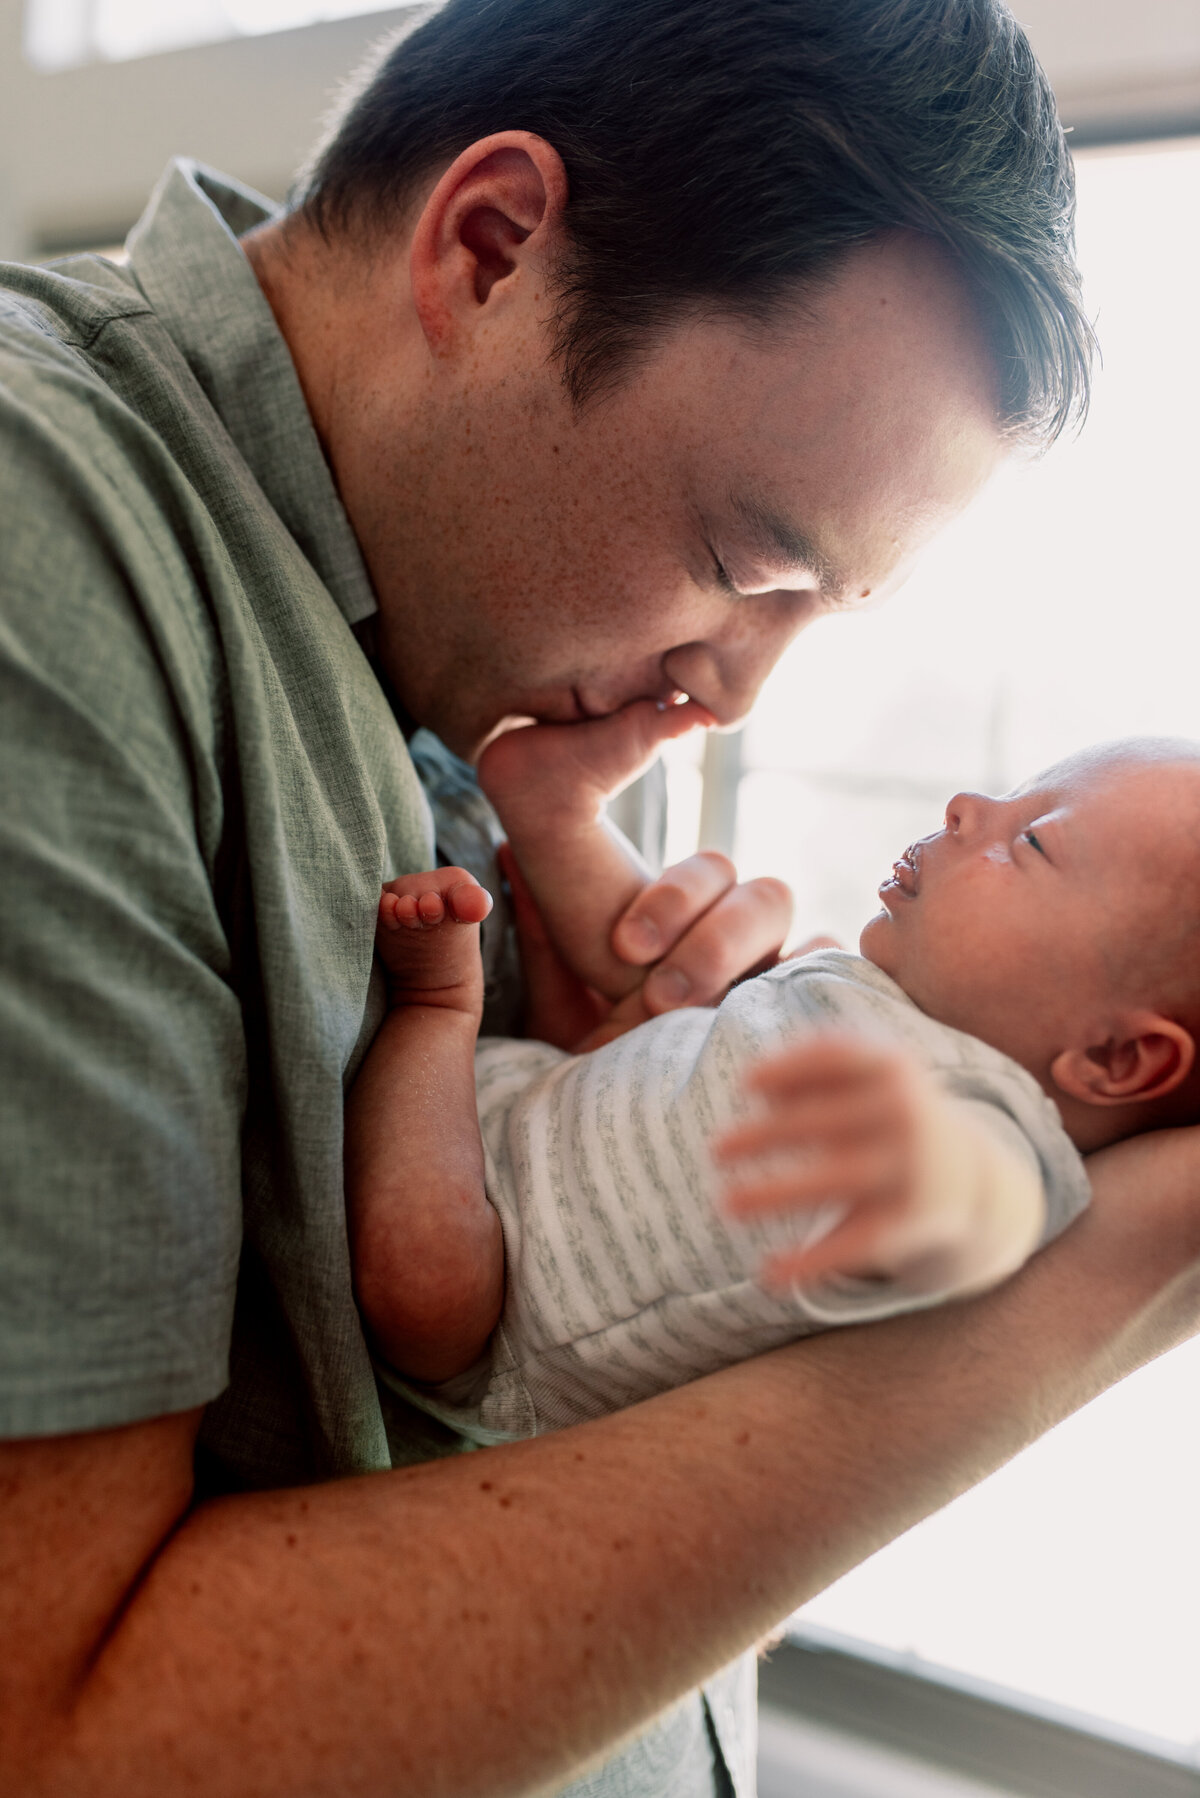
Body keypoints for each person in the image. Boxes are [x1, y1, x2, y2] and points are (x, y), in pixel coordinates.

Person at [3, 1, 1199, 1794]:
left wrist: (583, 1109)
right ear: (488, 249)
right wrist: (1085, 1292)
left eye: (816, 611)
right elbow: (57, 1723)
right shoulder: (50, 548)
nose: (729, 696)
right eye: (739, 562)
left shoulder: (415, 656)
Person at [350, 719, 1200, 1438]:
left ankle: (436, 1006)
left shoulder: (991, 1134)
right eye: (1008, 796)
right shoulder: (876, 992)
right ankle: (552, 811)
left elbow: (993, 1218)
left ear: (1115, 1059)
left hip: (489, 1310)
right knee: (668, 978)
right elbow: (662, 986)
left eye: (1033, 840)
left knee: (425, 1296)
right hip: (520, 1108)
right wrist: (562, 829)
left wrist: (941, 1175)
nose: (965, 809)